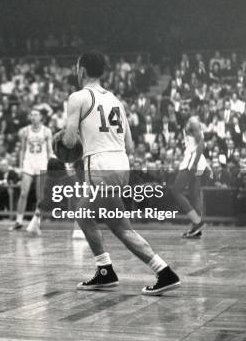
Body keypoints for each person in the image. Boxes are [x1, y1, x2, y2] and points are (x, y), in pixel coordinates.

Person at [62, 52, 180, 295]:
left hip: (101, 166)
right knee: (119, 226)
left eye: (76, 68)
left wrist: (62, 138)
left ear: (82, 71)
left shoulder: (79, 97)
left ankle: (110, 270)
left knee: (84, 214)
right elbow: (129, 145)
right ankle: (159, 271)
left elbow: (70, 140)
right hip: (121, 164)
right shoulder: (116, 100)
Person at [9, 108, 53, 235]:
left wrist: (50, 163)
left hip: (41, 163)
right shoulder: (25, 131)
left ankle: (36, 222)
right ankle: (19, 221)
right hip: (28, 163)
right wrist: (20, 165)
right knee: (23, 193)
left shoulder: (46, 131)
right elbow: (22, 149)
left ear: (41, 117)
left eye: (36, 115)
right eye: (32, 114)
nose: (33, 117)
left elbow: (49, 150)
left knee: (40, 196)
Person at [168, 116, 208, 238]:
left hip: (192, 162)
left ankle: (197, 222)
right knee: (194, 195)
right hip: (194, 160)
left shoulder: (192, 122)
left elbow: (201, 144)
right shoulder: (190, 123)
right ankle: (196, 229)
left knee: (176, 191)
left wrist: (194, 163)